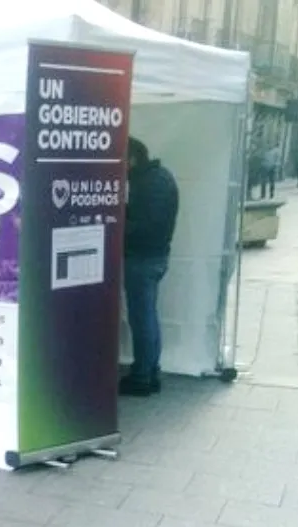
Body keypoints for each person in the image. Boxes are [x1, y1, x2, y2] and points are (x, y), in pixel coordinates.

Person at [120, 137, 179, 397]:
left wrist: (119, 224)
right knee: (148, 317)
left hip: (143, 258)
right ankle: (150, 371)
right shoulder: (158, 177)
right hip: (154, 256)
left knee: (141, 318)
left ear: (131, 157)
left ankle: (142, 376)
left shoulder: (149, 182)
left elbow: (145, 225)